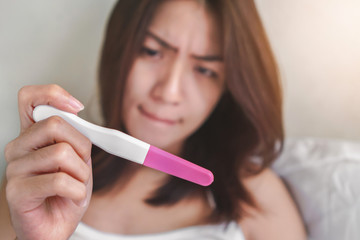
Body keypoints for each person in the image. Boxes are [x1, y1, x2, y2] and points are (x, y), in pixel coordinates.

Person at [1, 0, 306, 239]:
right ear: (119, 50)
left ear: (228, 88)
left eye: (205, 70)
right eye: (151, 51)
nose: (169, 92)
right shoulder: (42, 178)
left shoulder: (255, 194)